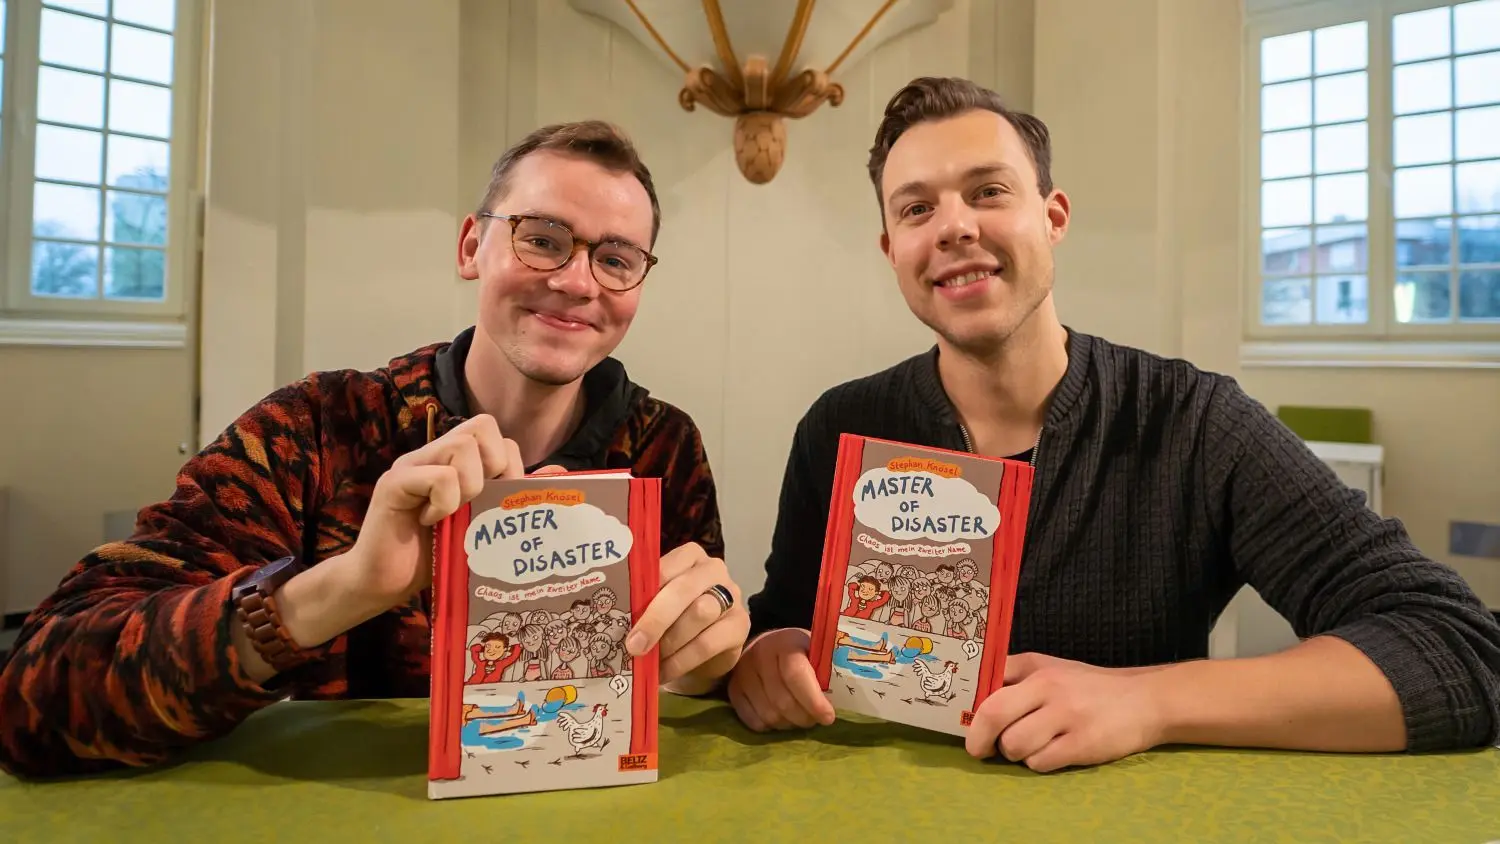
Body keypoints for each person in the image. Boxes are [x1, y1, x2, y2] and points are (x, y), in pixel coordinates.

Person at [729, 76, 1500, 772]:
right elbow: (782, 626)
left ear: (1053, 216)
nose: (953, 226)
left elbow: (1458, 650)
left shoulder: (1193, 424)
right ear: (892, 247)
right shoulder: (841, 426)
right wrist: (766, 657)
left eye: (989, 191)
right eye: (917, 208)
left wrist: (1149, 701)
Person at [0, 120, 750, 778]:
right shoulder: (317, 428)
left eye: (616, 260)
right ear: (471, 246)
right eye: (543, 239)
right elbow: (33, 698)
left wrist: (712, 658)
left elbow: (678, 674)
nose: (577, 281)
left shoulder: (663, 448)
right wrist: (342, 589)